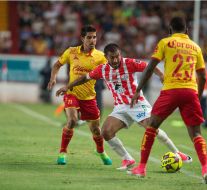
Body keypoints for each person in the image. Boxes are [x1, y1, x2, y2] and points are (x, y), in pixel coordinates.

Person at [56, 43, 192, 170]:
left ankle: (178, 153)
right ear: (106, 57)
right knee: (106, 132)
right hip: (121, 107)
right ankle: (127, 159)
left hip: (137, 104)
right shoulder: (102, 70)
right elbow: (84, 78)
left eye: (117, 56)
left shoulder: (129, 63)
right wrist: (67, 87)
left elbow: (149, 66)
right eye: (112, 58)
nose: (115, 60)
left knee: (152, 129)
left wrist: (161, 75)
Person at [129, 17, 207, 184]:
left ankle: (142, 168)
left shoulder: (165, 43)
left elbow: (150, 66)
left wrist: (138, 89)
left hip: (171, 90)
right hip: (190, 91)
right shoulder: (195, 47)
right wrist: (197, 93)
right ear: (187, 31)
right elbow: (202, 75)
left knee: (151, 126)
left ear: (170, 30)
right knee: (196, 133)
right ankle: (205, 168)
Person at [47, 25, 112, 165]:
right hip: (72, 94)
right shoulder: (71, 51)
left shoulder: (101, 56)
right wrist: (53, 78)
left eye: (94, 37)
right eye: (89, 37)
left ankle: (100, 151)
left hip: (89, 97)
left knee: (96, 129)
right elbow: (57, 65)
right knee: (72, 121)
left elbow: (112, 70)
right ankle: (62, 152)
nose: (92, 40)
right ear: (82, 38)